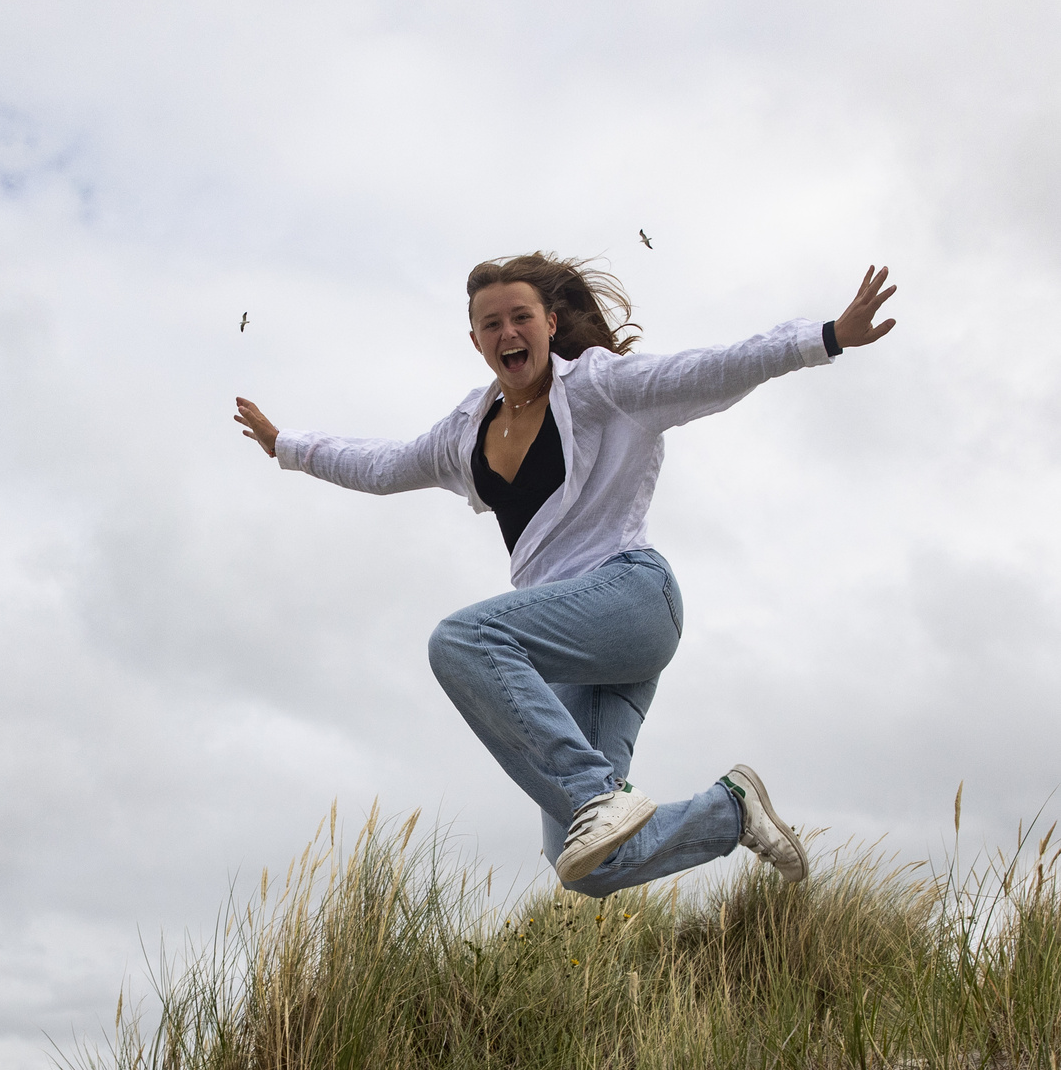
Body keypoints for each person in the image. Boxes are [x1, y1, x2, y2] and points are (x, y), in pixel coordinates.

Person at [233, 254, 897, 896]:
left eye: (520, 317)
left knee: (462, 640)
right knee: (586, 860)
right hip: (581, 655)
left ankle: (592, 793)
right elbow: (383, 466)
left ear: (550, 323)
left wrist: (828, 337)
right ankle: (731, 811)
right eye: (491, 325)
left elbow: (711, 371)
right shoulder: (466, 433)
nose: (508, 333)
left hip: (634, 598)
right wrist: (285, 445)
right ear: (476, 341)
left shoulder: (602, 388)